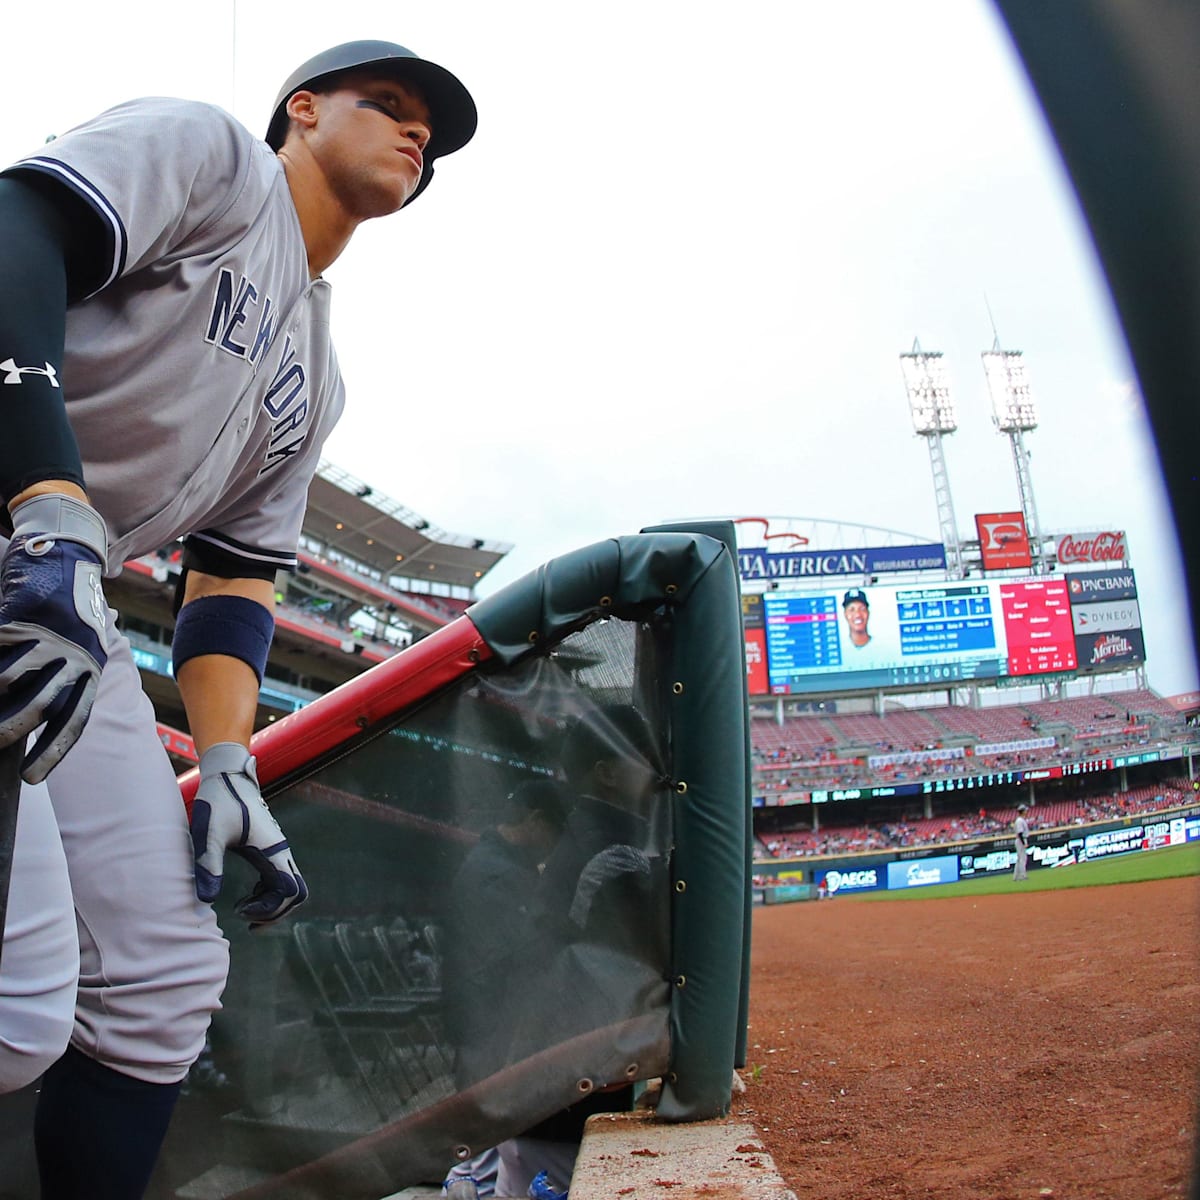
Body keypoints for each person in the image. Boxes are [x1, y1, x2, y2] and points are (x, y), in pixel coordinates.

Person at [0, 39, 476, 1199]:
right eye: (389, 104)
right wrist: (47, 502)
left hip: (64, 582)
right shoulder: (212, 154)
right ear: (302, 110)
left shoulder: (317, 371)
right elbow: (15, 229)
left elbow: (233, 579)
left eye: (429, 132)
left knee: (161, 982)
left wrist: (226, 758)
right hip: (32, 535)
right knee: (16, 1014)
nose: (416, 133)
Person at [1013, 803, 1031, 880]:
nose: (1026, 811)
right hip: (1021, 840)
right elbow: (1020, 833)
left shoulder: (1021, 820)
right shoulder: (1019, 821)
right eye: (1025, 810)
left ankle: (1016, 876)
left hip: (1021, 839)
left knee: (1019, 859)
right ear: (1022, 811)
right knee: (1022, 858)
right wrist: (1024, 843)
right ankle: (1023, 875)